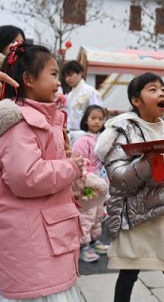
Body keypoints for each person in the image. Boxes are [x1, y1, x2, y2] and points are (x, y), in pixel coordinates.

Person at [0, 42, 85, 300]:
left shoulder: (38, 119)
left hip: (44, 243)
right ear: (29, 79)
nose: (59, 81)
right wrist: (69, 168)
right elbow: (25, 177)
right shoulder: (22, 122)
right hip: (35, 248)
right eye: (53, 74)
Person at [95, 72, 164, 302]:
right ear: (136, 101)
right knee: (129, 269)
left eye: (163, 89)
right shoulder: (123, 131)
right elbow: (118, 177)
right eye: (152, 89)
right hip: (135, 215)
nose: (161, 93)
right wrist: (146, 163)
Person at [72, 104, 109, 263]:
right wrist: (83, 182)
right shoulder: (83, 140)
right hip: (88, 185)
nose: (97, 122)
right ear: (86, 120)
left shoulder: (102, 140)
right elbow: (79, 163)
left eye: (100, 119)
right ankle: (82, 245)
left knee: (99, 214)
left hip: (101, 184)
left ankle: (93, 240)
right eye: (93, 118)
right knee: (86, 216)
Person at [62, 60, 102, 137]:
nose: (67, 79)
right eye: (66, 76)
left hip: (85, 134)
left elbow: (98, 114)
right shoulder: (70, 95)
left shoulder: (91, 92)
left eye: (70, 75)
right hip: (69, 133)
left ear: (80, 73)